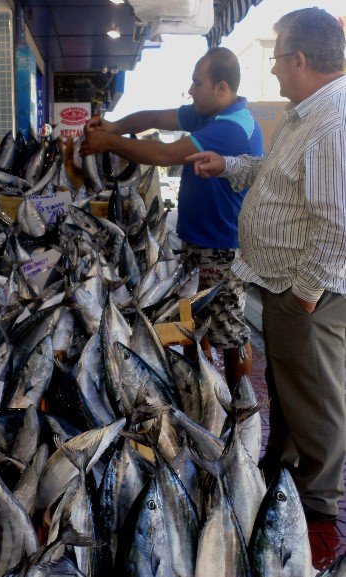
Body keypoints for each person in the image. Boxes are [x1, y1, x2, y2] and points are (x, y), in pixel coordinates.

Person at [186, 7, 346, 568]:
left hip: (310, 295)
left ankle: (320, 516)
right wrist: (227, 165)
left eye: (278, 58)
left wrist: (305, 296)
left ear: (300, 60)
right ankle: (281, 483)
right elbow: (274, 177)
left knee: (317, 401)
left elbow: (337, 224)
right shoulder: (306, 116)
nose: (273, 70)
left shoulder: (333, 122)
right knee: (289, 392)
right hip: (282, 287)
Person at [80, 47, 263, 389]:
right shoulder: (208, 115)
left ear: (221, 88)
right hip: (199, 241)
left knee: (230, 331)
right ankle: (205, 388)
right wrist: (116, 126)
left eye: (197, 83)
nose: (191, 90)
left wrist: (109, 143)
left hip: (223, 247)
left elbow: (164, 155)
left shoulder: (232, 129)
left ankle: (240, 408)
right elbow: (156, 118)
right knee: (196, 321)